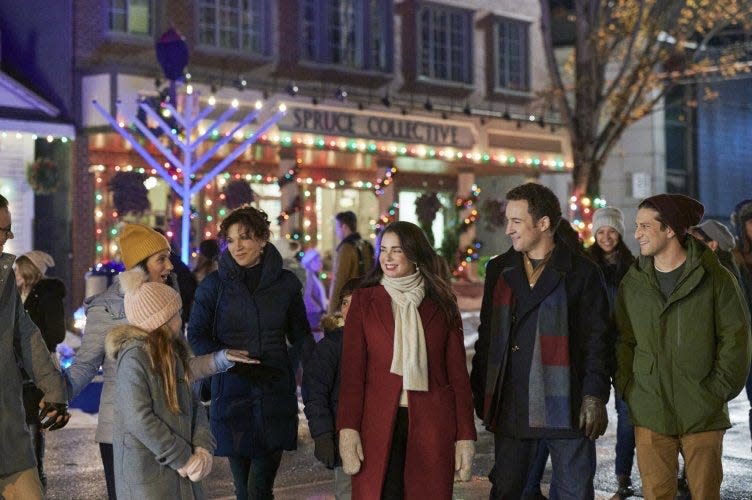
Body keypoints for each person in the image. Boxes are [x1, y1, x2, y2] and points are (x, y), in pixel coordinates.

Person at [65, 223, 251, 500]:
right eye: (161, 259)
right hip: (123, 431)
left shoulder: (168, 301)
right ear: (140, 264)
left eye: (169, 257)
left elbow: (181, 369)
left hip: (170, 426)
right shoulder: (107, 306)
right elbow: (85, 365)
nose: (170, 266)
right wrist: (55, 396)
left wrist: (219, 360)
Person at [470, 182, 611, 499]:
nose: (508, 230)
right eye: (508, 221)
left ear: (544, 223)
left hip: (567, 404)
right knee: (507, 490)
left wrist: (594, 395)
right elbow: (488, 336)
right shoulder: (499, 269)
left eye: (516, 222)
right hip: (512, 403)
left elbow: (598, 342)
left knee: (574, 491)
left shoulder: (583, 272)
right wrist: (480, 392)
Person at [615, 194, 751, 499]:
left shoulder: (717, 279)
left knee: (704, 495)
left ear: (670, 229)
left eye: (645, 226)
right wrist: (629, 387)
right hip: (650, 411)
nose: (636, 234)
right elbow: (623, 340)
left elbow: (736, 340)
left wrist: (716, 390)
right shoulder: (633, 282)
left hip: (702, 411)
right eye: (637, 226)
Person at [337, 221, 476, 499]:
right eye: (383, 250)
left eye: (396, 250)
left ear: (414, 254)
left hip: (432, 425)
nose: (387, 258)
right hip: (376, 426)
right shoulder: (364, 301)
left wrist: (465, 435)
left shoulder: (442, 303)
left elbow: (458, 376)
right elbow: (353, 373)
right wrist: (347, 428)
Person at [187, 205, 314, 500]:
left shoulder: (285, 284)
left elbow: (300, 335)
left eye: (244, 237)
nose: (237, 246)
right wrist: (223, 355)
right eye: (230, 240)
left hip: (273, 393)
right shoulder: (214, 286)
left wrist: (319, 368)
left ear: (263, 239)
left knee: (259, 490)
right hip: (231, 393)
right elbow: (197, 334)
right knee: (243, 489)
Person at [105, 267, 215, 499]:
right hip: (150, 480)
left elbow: (194, 405)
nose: (181, 318)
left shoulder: (174, 353)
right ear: (161, 321)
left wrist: (203, 446)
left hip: (181, 477)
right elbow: (139, 418)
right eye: (175, 313)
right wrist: (183, 458)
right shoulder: (134, 357)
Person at [0, 194, 70, 499]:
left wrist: (54, 391)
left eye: (8, 228)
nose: (9, 236)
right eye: (2, 229)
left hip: (7, 433)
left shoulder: (4, 280)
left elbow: (27, 336)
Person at [588, 208, 636, 500]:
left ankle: (622, 476)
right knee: (587, 413)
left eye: (612, 231)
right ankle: (580, 477)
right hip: (594, 348)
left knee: (627, 414)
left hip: (622, 349)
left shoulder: (633, 266)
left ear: (619, 233)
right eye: (601, 232)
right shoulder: (585, 265)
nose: (606, 237)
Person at [303, 277, 361, 500]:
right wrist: (323, 434)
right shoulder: (331, 346)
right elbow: (315, 392)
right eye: (345, 303)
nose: (349, 308)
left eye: (356, 302)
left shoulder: (379, 343)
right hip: (341, 440)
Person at [13, 251, 67, 490]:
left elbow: (56, 333)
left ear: (28, 270)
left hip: (37, 366)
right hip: (20, 368)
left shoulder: (46, 294)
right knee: (24, 417)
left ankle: (37, 473)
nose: (14, 273)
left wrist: (32, 349)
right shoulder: (19, 294)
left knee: (33, 419)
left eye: (18, 268)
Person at [328, 211, 374, 314]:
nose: (336, 231)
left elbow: (339, 281)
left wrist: (331, 311)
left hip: (349, 306)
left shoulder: (346, 248)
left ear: (344, 227)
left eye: (337, 227)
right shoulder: (366, 245)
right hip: (366, 302)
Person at [301, 248, 328, 335]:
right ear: (310, 262)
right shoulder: (308, 276)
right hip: (313, 316)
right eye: (317, 261)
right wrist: (321, 310)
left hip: (315, 316)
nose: (320, 264)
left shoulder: (313, 275)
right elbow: (307, 297)